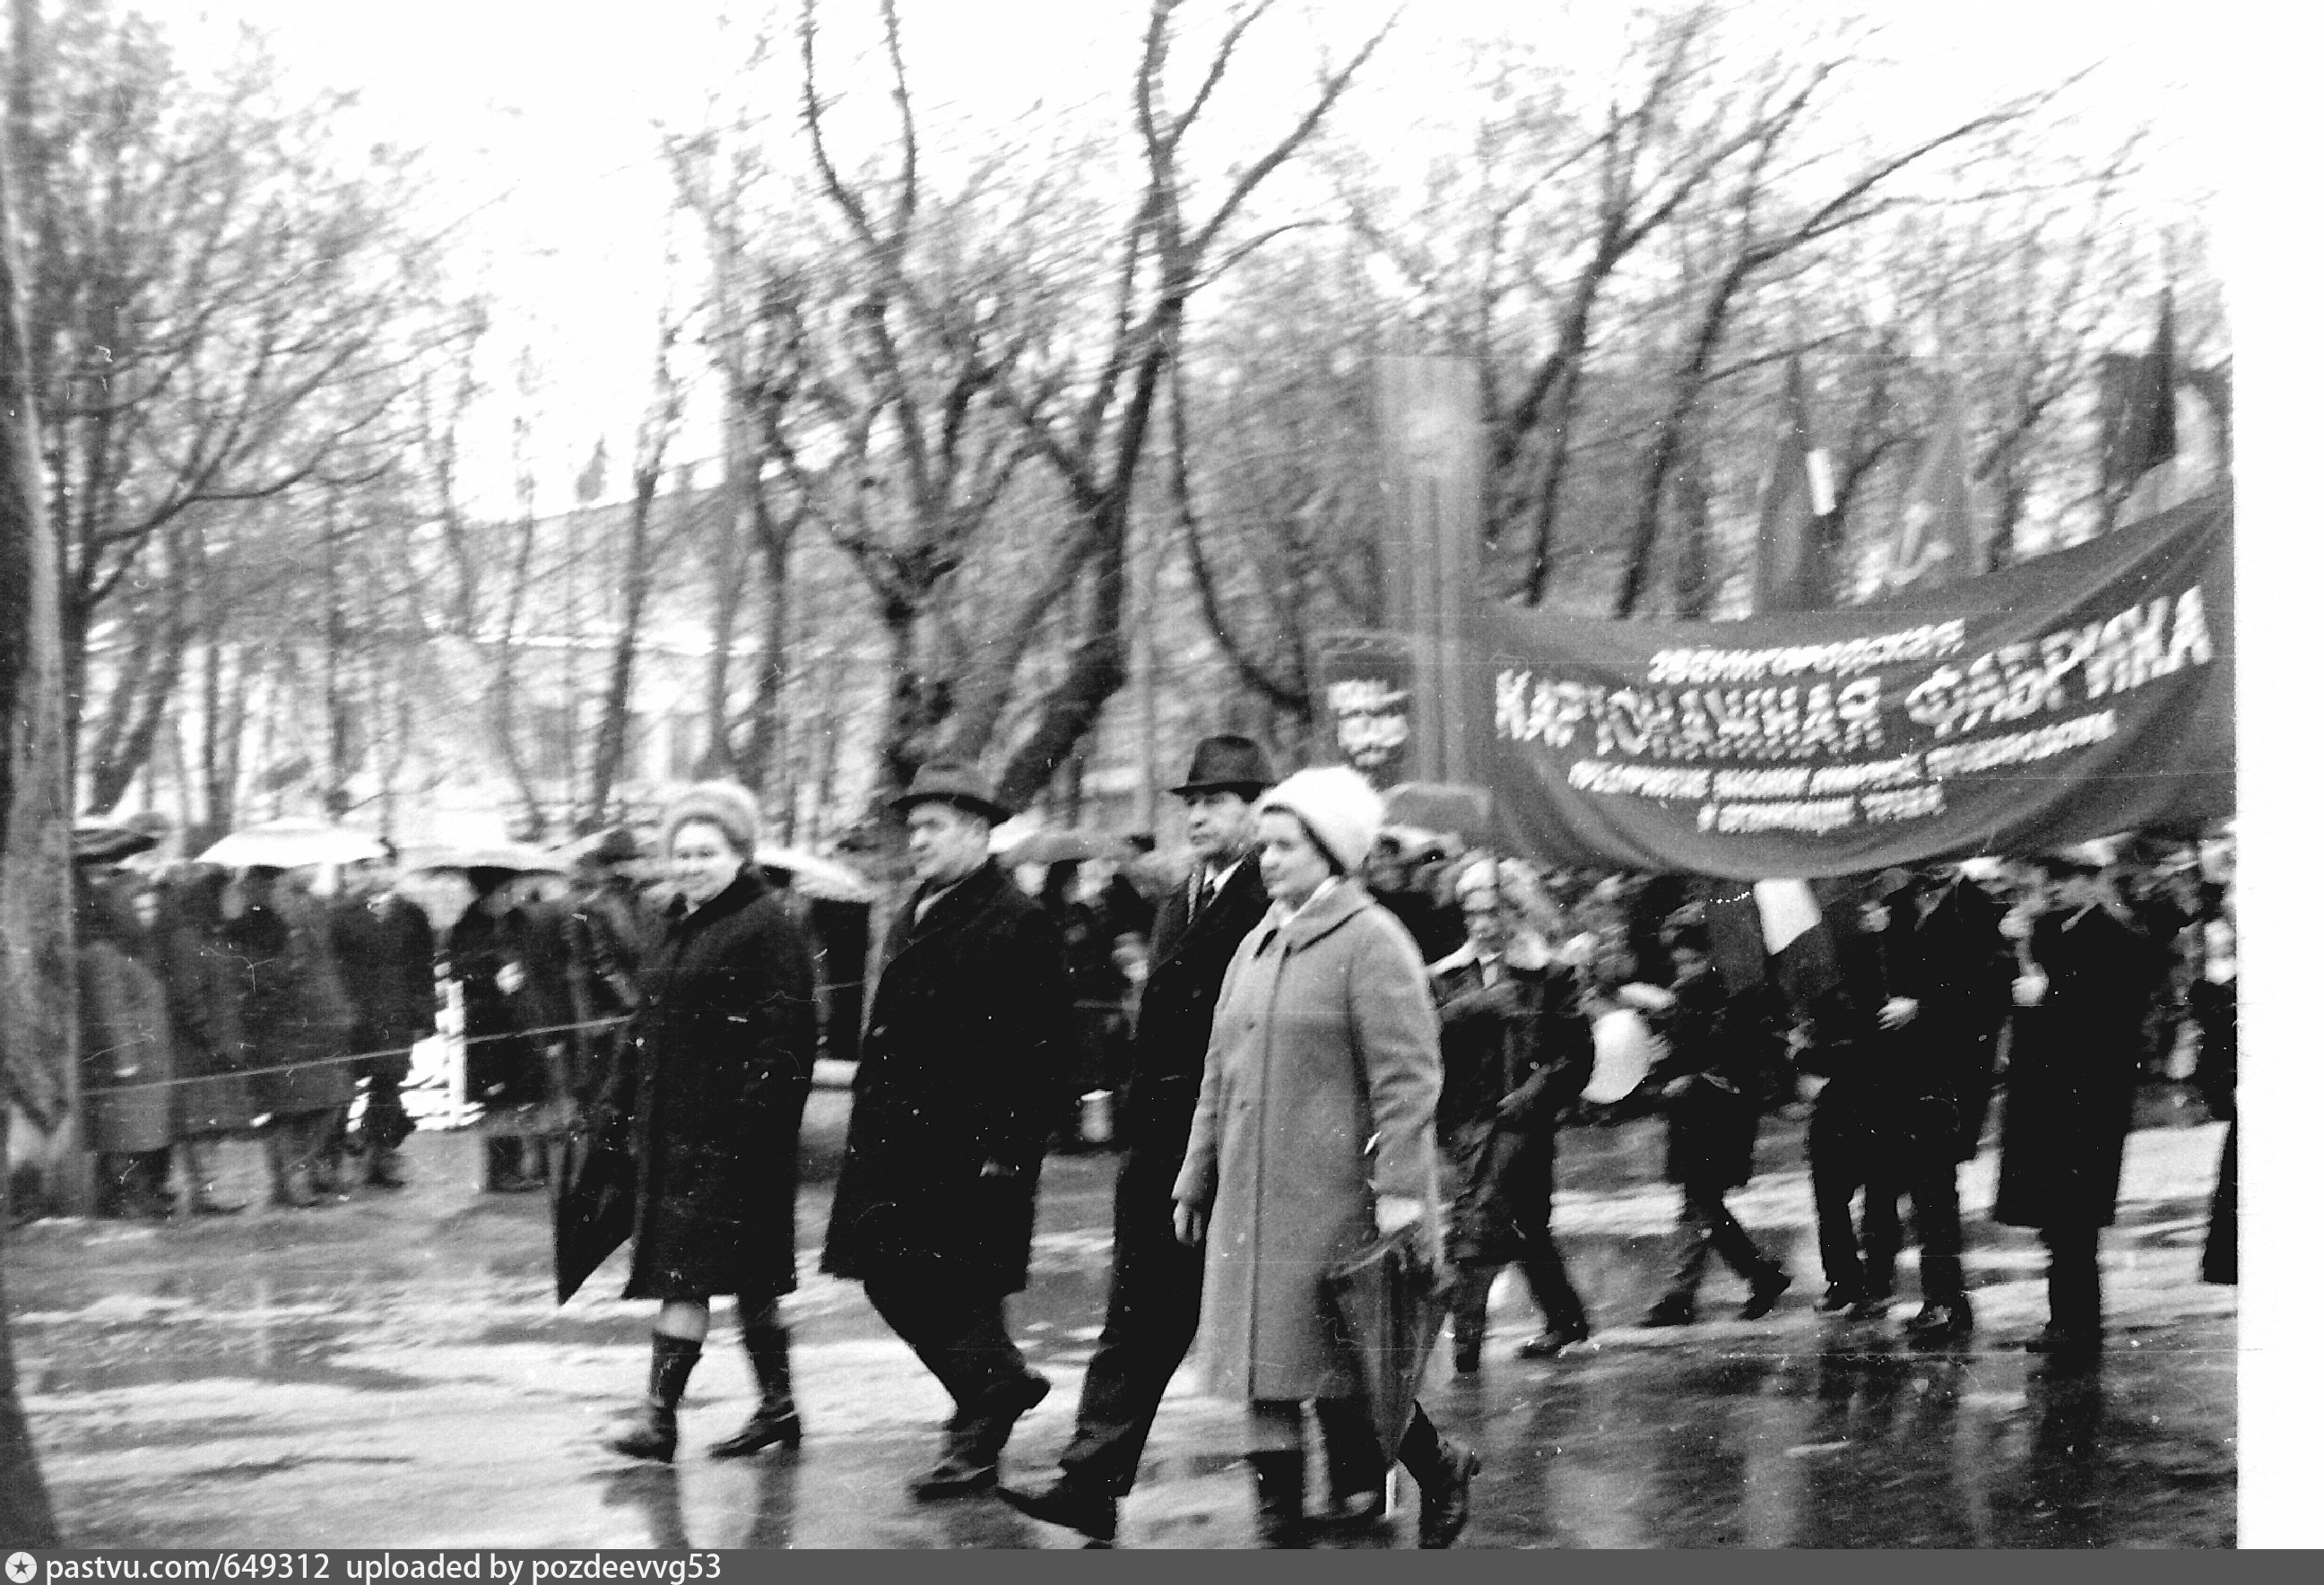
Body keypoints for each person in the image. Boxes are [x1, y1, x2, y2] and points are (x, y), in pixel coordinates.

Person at [1002, 737, 1383, 1544]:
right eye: (1191, 801)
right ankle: (1090, 1482)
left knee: (1304, 1317)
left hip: (1253, 1147)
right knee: (1138, 1315)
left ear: (1259, 808)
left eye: (1216, 799)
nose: (1198, 813)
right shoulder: (1182, 897)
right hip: (1168, 1145)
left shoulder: (1279, 897)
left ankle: (1369, 1471)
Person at [1171, 766, 1480, 1549]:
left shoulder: (1372, 940)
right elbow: (1218, 1067)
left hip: (1338, 1199)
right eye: (1265, 845)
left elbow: (1409, 1081)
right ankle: (1279, 1527)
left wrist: (1403, 1193)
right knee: (1260, 1370)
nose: (1267, 858)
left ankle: (1439, 1466)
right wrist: (1195, 1174)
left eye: (1285, 845)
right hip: (1251, 1198)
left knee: (1351, 1370)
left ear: (1332, 852)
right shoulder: (1256, 943)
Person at [821, 759, 1072, 1500]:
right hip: (898, 1143)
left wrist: (1009, 1151)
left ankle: (977, 1436)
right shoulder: (919, 906)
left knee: (957, 1290)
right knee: (894, 1278)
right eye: (914, 828)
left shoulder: (1018, 919)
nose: (917, 841)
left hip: (967, 1150)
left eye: (932, 828)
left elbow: (1046, 1049)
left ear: (975, 831)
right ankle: (997, 1388)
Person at [603, 783, 819, 1464]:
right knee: (749, 1276)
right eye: (681, 852)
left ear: (739, 854)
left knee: (684, 1275)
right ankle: (778, 1407)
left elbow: (784, 1040)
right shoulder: (678, 922)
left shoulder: (766, 924)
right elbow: (647, 1024)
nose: (691, 864)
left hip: (733, 1142)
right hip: (677, 1136)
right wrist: (615, 1101)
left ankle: (658, 1420)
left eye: (707, 852)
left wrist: (753, 1134)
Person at [1432, 855, 1595, 1371]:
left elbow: (1577, 1053)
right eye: (1472, 913)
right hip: (1466, 1123)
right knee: (1521, 1224)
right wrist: (1478, 1007)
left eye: (1493, 912)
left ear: (1516, 912)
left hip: (1525, 1122)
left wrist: (1536, 1091)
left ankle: (1466, 1350)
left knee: (1481, 1221)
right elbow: (1420, 1036)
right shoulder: (1447, 976)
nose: (1481, 925)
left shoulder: (1550, 974)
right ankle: (1566, 1321)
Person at [1994, 853, 2155, 1363]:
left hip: (2086, 1102)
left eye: (2066, 879)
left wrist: (2052, 993)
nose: (2055, 888)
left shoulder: (2117, 937)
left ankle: (2078, 1324)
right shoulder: (2046, 931)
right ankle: (2063, 1318)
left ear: (2093, 883)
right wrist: (2011, 954)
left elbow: (2113, 1020)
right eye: (2051, 879)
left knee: (2074, 1219)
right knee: (2053, 1218)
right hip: (2045, 1099)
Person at [1638, 905, 1792, 1327]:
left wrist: (1688, 1073)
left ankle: (1760, 1273)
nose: (1684, 968)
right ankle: (1680, 1294)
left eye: (1692, 959)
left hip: (1718, 1115)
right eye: (1679, 961)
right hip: (1693, 1115)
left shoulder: (1729, 995)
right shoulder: (1688, 997)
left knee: (1703, 1203)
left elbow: (1728, 1051)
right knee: (1695, 1204)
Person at [229, 866, 358, 1209]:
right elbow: (257, 973)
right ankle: (290, 1183)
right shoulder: (259, 919)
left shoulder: (311, 913)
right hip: (283, 1027)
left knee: (322, 1105)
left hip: (316, 1025)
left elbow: (324, 966)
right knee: (291, 1110)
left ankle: (297, 1177)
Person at [326, 852, 438, 1189]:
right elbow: (332, 967)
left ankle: (380, 1158)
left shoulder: (412, 915)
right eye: (366, 866)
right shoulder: (340, 916)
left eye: (381, 865)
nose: (375, 873)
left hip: (396, 1013)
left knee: (388, 1085)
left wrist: (423, 1014)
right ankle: (331, 1161)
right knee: (344, 1088)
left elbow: (422, 967)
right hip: (354, 1014)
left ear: (394, 868)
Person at [448, 867, 561, 1191]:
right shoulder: (467, 926)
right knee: (499, 1102)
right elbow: (459, 971)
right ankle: (502, 1173)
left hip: (527, 1023)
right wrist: (490, 979)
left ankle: (538, 1167)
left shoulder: (523, 921)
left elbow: (541, 968)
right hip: (491, 1029)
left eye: (511, 890)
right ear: (486, 893)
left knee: (533, 1094)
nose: (510, 897)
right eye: (503, 891)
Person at [74, 869, 178, 1219]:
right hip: (127, 1065)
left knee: (141, 1136)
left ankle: (137, 1195)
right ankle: (119, 1199)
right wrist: (123, 1058)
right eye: (141, 909)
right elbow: (109, 1008)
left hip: (148, 1062)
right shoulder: (104, 953)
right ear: (122, 911)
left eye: (152, 909)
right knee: (122, 1138)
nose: (149, 917)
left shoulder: (136, 948)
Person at [152, 866, 255, 1215]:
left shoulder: (213, 934)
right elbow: (186, 996)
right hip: (198, 1050)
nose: (236, 901)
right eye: (229, 894)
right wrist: (210, 1040)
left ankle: (207, 1192)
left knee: (211, 1125)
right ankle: (203, 1193)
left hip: (215, 1045)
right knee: (200, 1125)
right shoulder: (188, 937)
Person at [563, 829, 656, 1110]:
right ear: (613, 865)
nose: (633, 867)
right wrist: (635, 1003)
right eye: (626, 861)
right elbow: (603, 964)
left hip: (638, 1009)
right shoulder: (593, 907)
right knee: (608, 1090)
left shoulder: (644, 902)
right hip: (609, 1014)